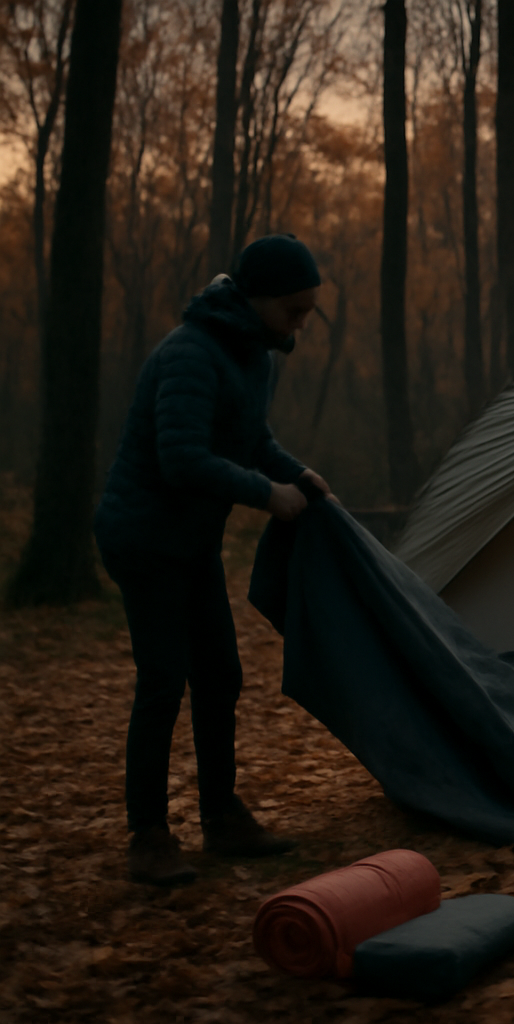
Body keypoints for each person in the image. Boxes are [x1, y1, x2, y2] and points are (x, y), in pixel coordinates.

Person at [95, 234, 337, 886]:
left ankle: (222, 819)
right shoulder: (191, 355)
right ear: (257, 301)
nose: (301, 323)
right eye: (293, 310)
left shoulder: (254, 355)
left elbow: (252, 440)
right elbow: (182, 458)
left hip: (190, 542)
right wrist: (267, 494)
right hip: (143, 538)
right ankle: (147, 836)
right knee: (164, 678)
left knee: (221, 675)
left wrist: (299, 475)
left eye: (307, 310)